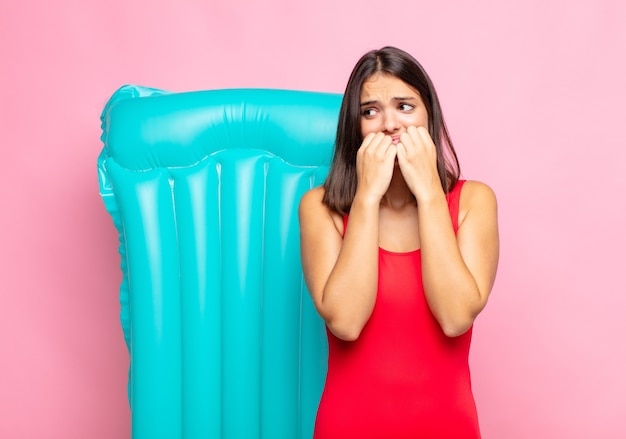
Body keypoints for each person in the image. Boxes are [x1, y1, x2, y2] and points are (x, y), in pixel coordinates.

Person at [298, 46, 499, 439]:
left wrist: (427, 194)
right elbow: (347, 322)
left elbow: (456, 317)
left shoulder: (474, 201)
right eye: (370, 111)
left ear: (430, 116)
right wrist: (367, 197)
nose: (389, 124)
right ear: (354, 127)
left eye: (405, 106)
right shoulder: (320, 209)